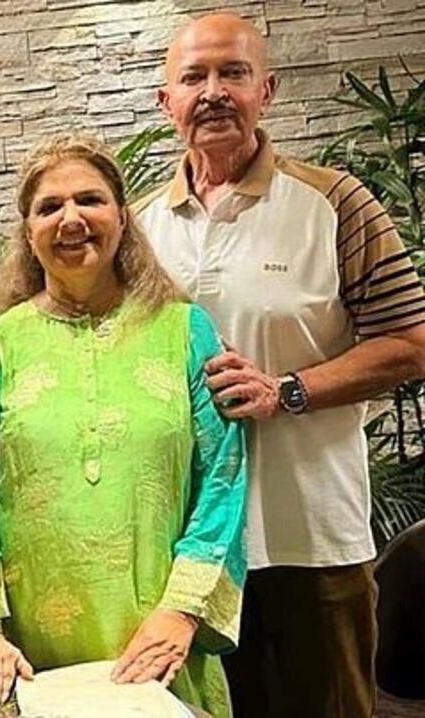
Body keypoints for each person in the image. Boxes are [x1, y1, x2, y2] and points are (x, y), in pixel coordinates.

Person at [137, 13, 425, 717]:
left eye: (232, 73)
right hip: (191, 553)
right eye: (193, 77)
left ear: (265, 90)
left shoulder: (335, 202)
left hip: (310, 537)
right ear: (165, 102)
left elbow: (413, 341)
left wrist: (286, 392)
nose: (213, 92)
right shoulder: (140, 227)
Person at [0, 134, 248, 718]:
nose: (71, 219)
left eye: (90, 200)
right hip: (32, 658)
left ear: (122, 217)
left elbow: (223, 476)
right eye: (49, 207)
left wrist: (184, 610)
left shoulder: (185, 331)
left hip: (161, 646)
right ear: (28, 233)